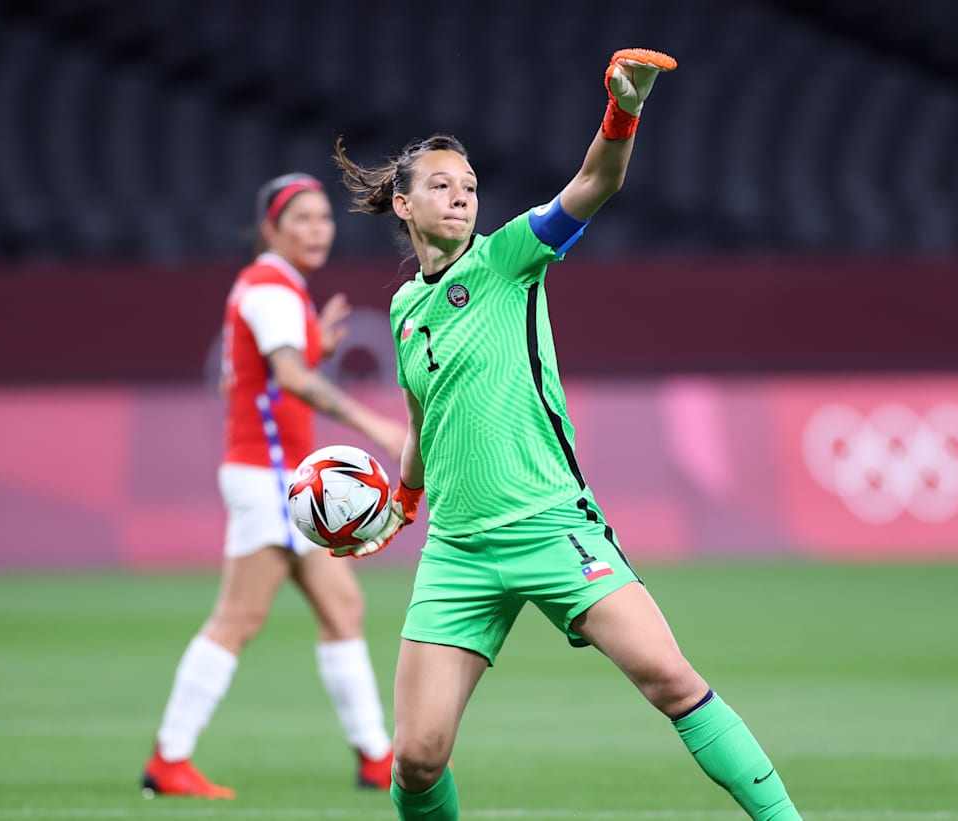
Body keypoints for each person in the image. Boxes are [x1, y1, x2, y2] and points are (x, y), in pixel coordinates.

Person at [330, 49, 804, 821]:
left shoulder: (507, 258)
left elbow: (595, 183)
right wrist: (402, 504)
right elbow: (422, 417)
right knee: (416, 758)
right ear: (405, 205)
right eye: (442, 185)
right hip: (458, 550)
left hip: (551, 525)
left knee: (672, 680)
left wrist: (624, 109)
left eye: (469, 185)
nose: (461, 196)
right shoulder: (404, 310)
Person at [141, 172, 408, 799]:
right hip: (269, 477)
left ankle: (376, 757)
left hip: (277, 475)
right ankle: (169, 759)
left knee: (342, 609)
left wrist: (313, 346)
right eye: (302, 219)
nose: (318, 230)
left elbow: (250, 375)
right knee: (238, 617)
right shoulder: (271, 288)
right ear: (271, 228)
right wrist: (375, 424)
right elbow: (287, 378)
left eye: (324, 218)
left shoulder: (273, 287)